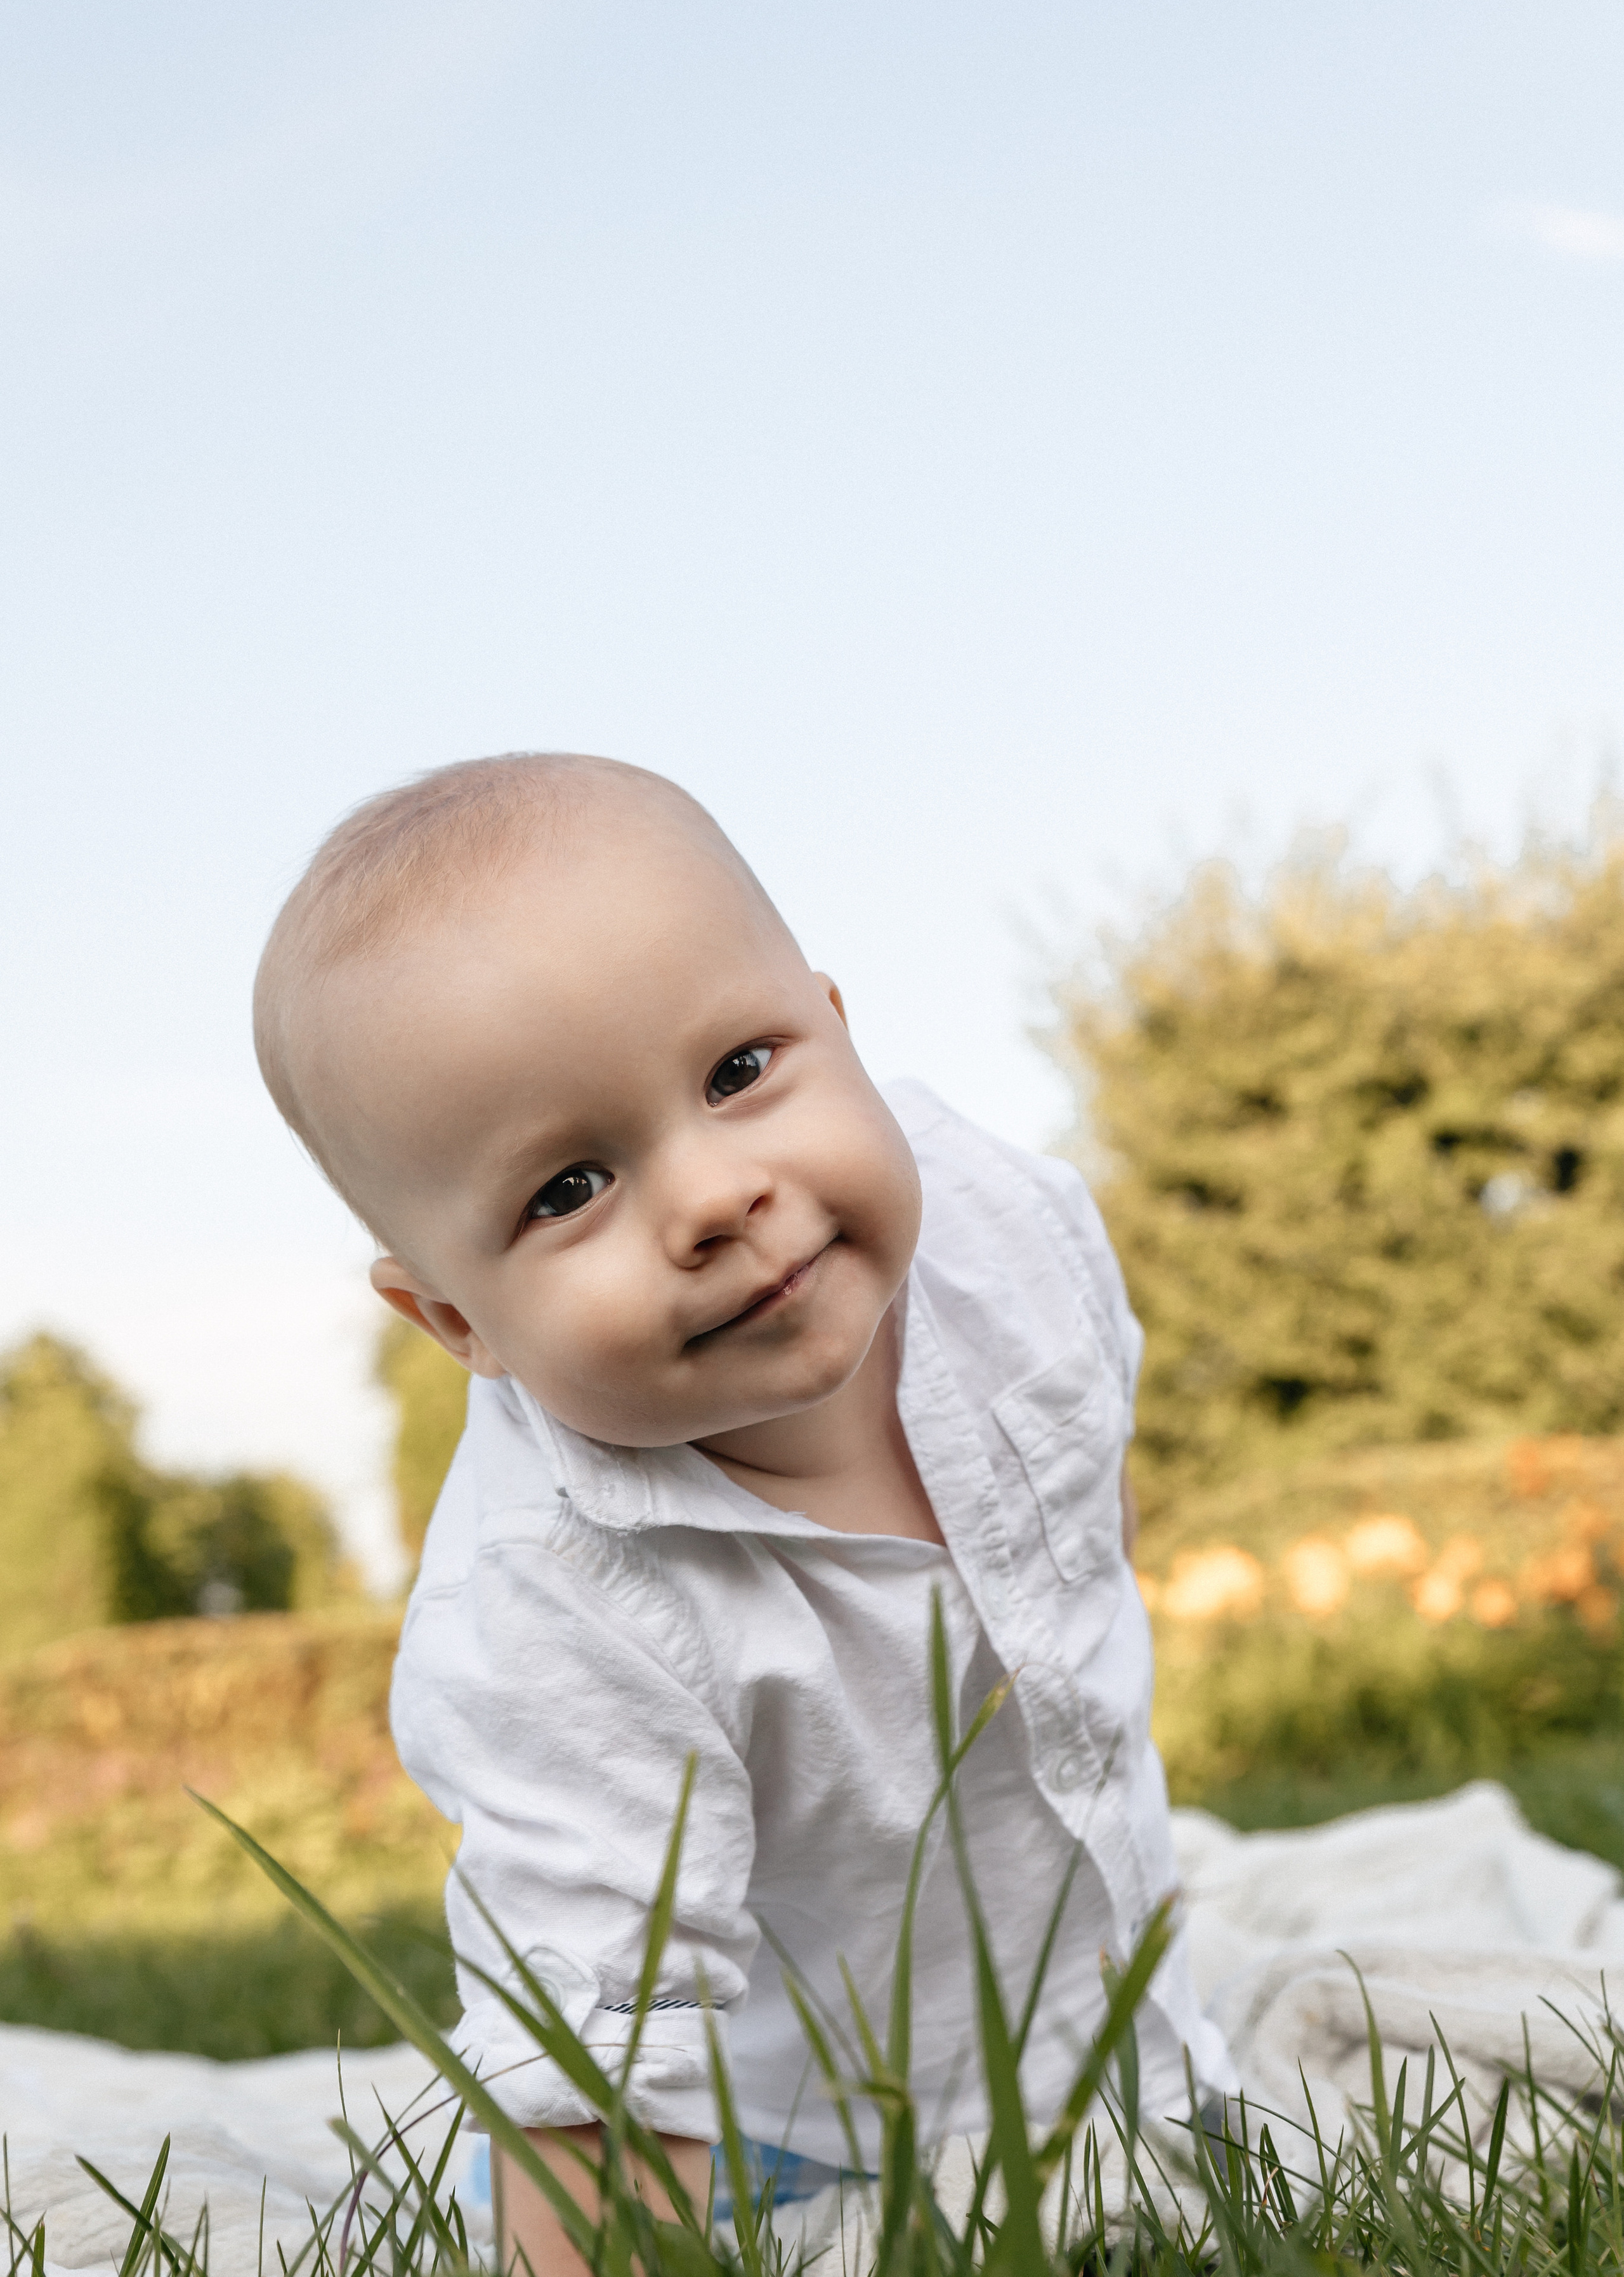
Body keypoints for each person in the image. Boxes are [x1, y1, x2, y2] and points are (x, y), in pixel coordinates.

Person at [252, 752, 1232, 2271]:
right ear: (458, 1323)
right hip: (795, 2136)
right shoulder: (551, 1607)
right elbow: (599, 2032)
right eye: (568, 1186)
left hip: (1136, 2004)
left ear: (834, 1030)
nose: (713, 1195)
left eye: (736, 1074)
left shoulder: (1012, 1233)